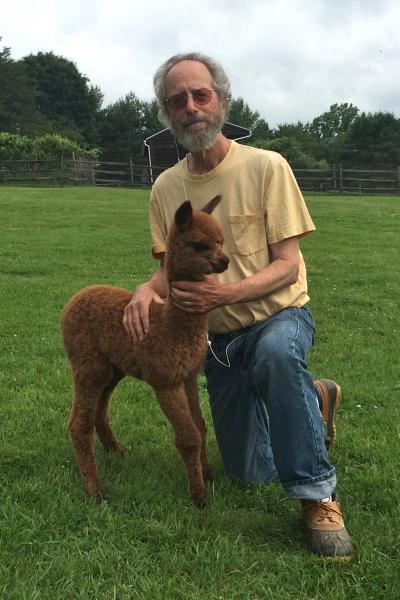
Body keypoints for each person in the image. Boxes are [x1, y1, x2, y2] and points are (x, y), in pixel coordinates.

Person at [123, 52, 353, 559]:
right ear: (167, 112)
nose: (190, 107)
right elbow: (171, 264)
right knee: (248, 473)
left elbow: (288, 265)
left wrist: (224, 293)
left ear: (222, 100)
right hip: (216, 341)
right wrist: (146, 288)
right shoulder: (167, 188)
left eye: (200, 94)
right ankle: (311, 401)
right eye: (176, 99)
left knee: (274, 356)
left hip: (278, 317)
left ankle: (317, 496)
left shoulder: (267, 167)